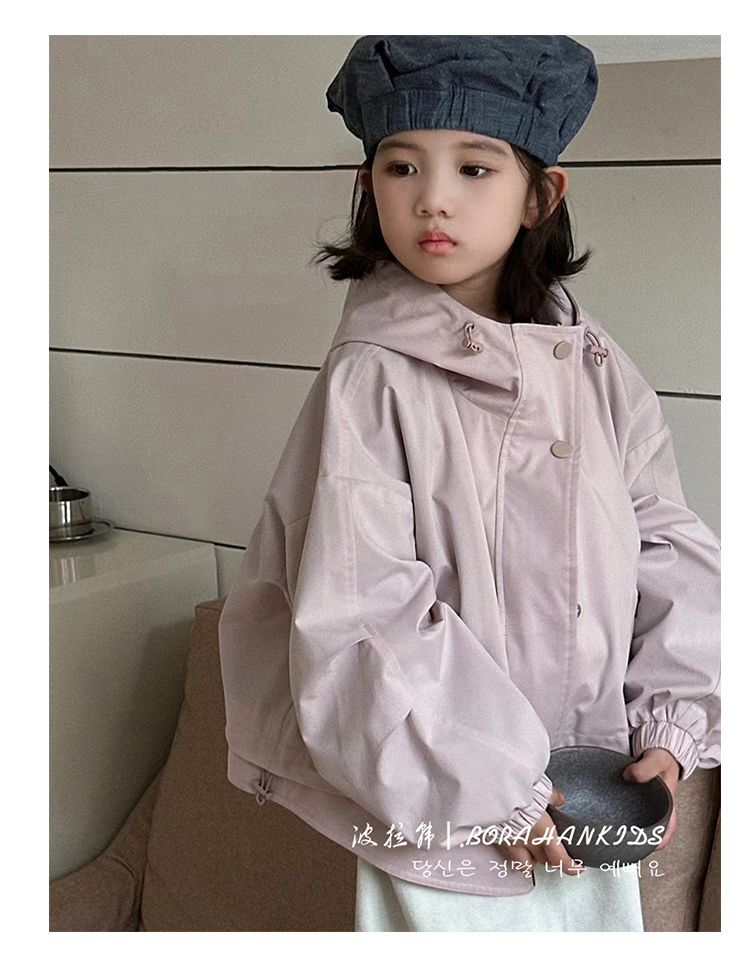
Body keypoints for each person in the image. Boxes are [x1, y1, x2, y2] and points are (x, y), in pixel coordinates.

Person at [218, 36, 720, 932]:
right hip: (445, 813)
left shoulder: (595, 365)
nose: (433, 198)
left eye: (475, 168)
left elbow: (668, 543)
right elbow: (359, 608)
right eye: (401, 166)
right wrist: (494, 787)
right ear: (369, 186)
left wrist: (671, 731)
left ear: (541, 196)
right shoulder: (373, 377)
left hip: (593, 793)